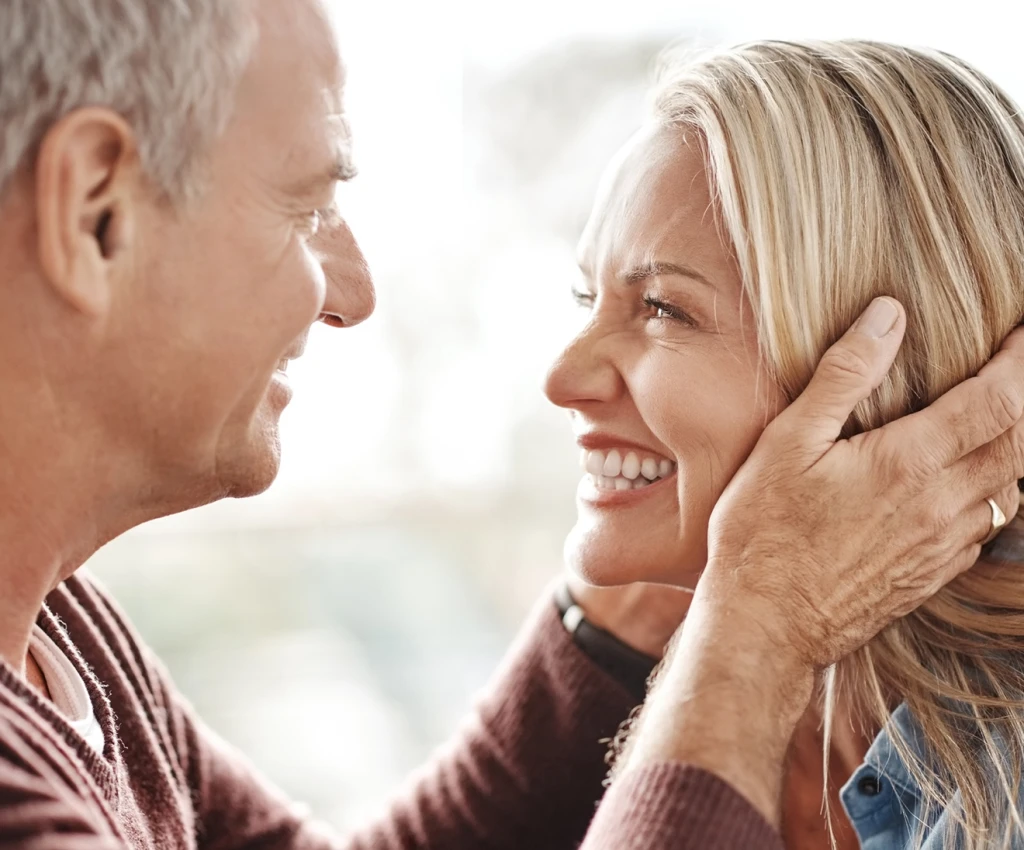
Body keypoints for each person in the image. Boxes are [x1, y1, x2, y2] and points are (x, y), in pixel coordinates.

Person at [0, 0, 1020, 846]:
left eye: (661, 306)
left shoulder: (65, 643)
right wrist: (756, 628)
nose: (352, 291)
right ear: (97, 211)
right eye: (305, 207)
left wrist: (611, 623)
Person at [554, 39, 1024, 850]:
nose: (563, 377)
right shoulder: (729, 691)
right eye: (586, 297)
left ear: (883, 374)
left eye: (663, 307)